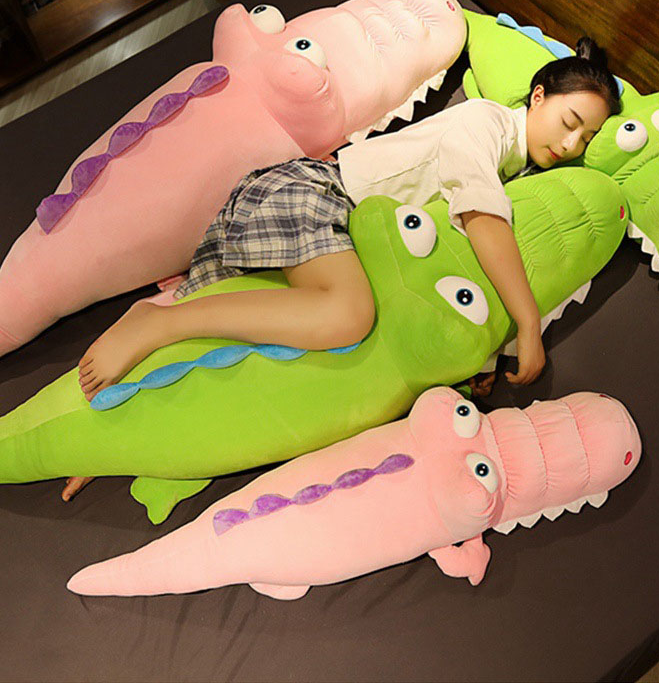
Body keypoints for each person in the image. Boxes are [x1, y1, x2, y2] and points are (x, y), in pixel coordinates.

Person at [63, 36, 620, 501]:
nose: (572, 144)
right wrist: (527, 322)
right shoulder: (485, 123)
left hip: (332, 241)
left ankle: (100, 426)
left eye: (589, 138)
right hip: (313, 193)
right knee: (348, 315)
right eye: (570, 121)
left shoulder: (518, 172)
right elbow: (482, 222)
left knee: (238, 350)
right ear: (538, 96)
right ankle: (157, 322)